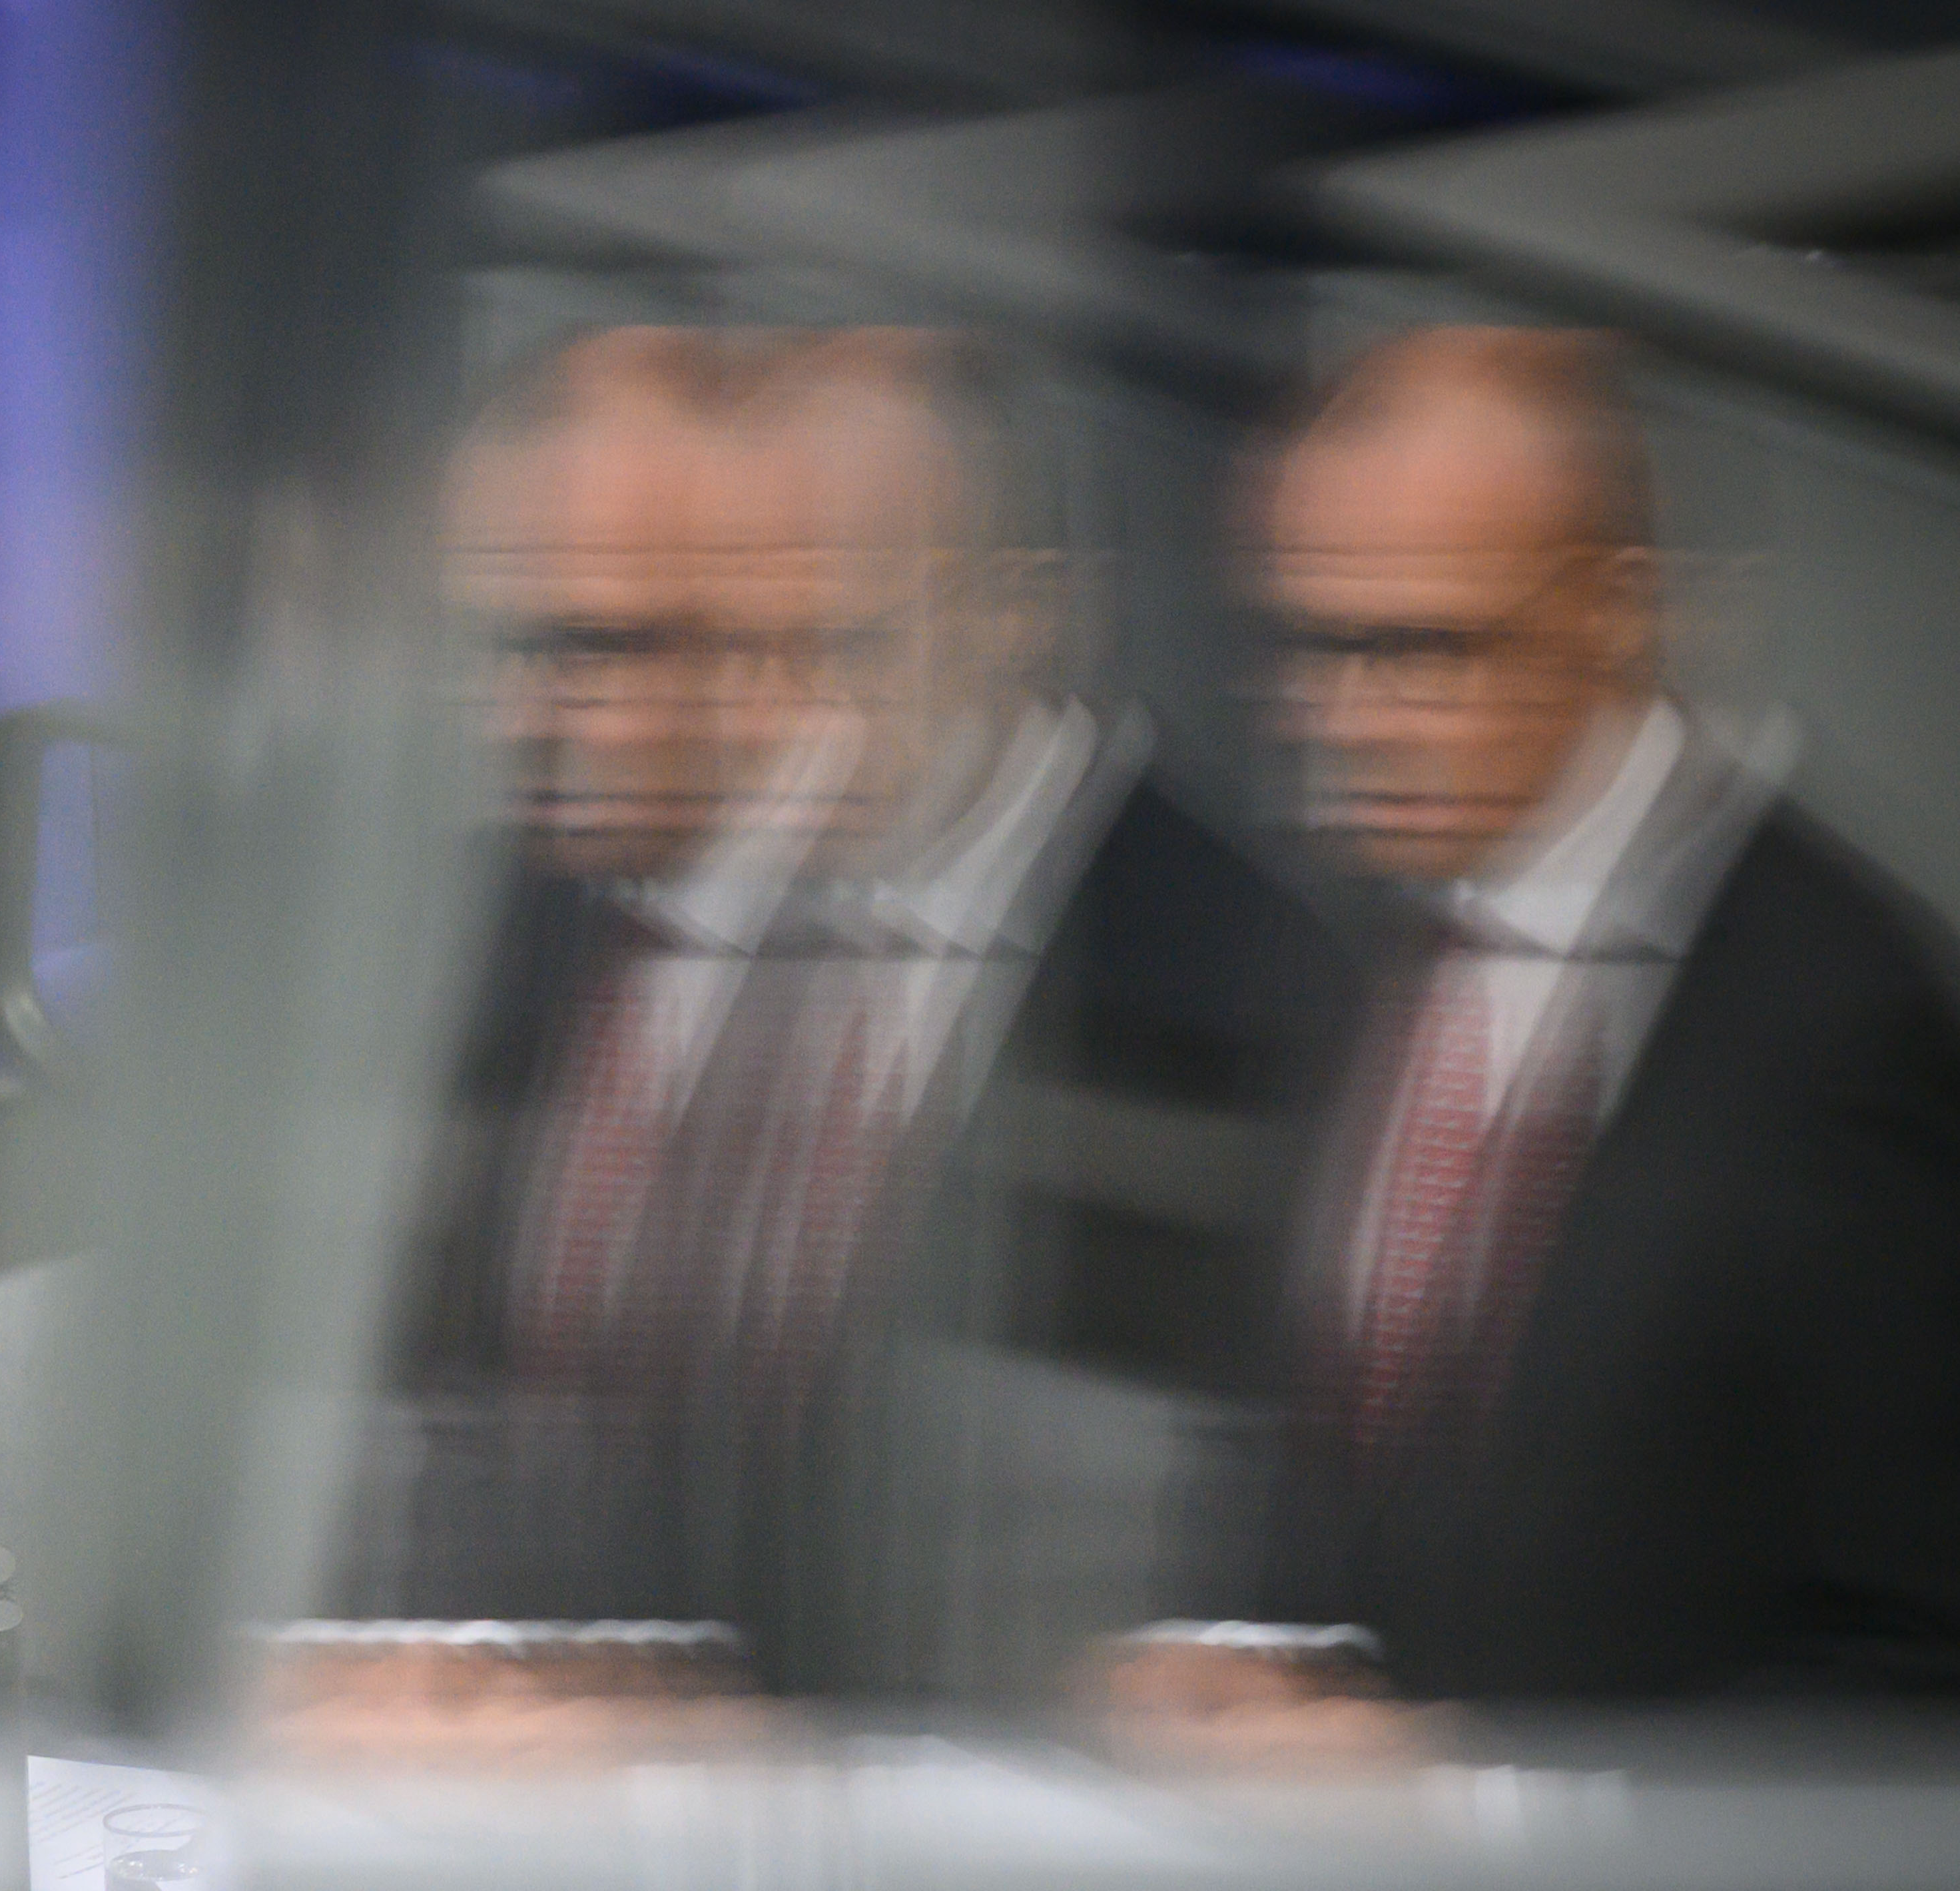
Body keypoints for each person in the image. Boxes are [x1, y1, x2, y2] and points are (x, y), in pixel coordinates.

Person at [326, 326, 1342, 1710]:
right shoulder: (584, 921)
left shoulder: (1269, 1010)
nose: (769, 721)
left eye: (836, 648)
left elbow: (1214, 1583)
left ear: (1020, 611)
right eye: (732, 649)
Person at [1122, 324, 1960, 1756]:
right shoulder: (1361, 956)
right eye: (1311, 649)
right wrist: (1224, 1654)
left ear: (1617, 612)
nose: (1346, 722)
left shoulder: (1844, 1018)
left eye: (1421, 651)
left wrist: (1492, 1794)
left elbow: (1919, 1665)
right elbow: (1327, 1459)